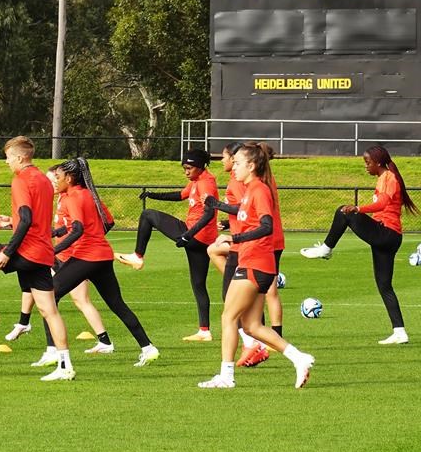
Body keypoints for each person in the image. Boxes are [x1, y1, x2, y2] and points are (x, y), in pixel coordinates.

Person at [0, 136, 74, 381]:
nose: (7, 162)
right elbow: (34, 217)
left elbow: (28, 218)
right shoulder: (43, 179)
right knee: (50, 311)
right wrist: (11, 222)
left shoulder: (21, 180)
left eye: (9, 157)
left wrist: (8, 251)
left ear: (20, 158)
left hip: (25, 251)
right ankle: (65, 366)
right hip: (43, 253)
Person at [198, 143, 315, 389]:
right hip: (255, 263)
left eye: (238, 163)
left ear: (251, 166)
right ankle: (299, 358)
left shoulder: (259, 189)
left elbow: (266, 225)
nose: (234, 167)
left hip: (254, 263)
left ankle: (226, 377)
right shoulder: (250, 190)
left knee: (228, 317)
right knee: (251, 326)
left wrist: (235, 238)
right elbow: (248, 218)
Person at [31, 159, 160, 369]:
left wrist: (53, 249)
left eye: (58, 176)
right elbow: (98, 223)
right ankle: (148, 348)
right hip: (103, 256)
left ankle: (53, 351)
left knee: (49, 296)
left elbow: (78, 228)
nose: (55, 179)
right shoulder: (87, 193)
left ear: (69, 178)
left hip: (87, 256)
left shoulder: (72, 197)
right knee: (117, 304)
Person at [299, 145, 419, 345]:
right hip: (390, 237)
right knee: (384, 286)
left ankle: (326, 249)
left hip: (386, 233)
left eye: (367, 162)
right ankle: (400, 332)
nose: (366, 166)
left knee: (344, 212)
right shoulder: (386, 177)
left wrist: (358, 208)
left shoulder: (388, 177)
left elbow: (382, 203)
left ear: (378, 162)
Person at [8, 167, 115, 359]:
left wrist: (87, 240)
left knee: (60, 297)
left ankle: (47, 344)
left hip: (73, 257)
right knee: (60, 296)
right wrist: (11, 221)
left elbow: (83, 226)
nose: (52, 184)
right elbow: (59, 228)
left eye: (54, 180)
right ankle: (104, 341)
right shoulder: (59, 198)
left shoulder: (74, 197)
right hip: (61, 256)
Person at [114, 149, 218, 341]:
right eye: (184, 168)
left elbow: (209, 213)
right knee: (198, 284)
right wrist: (153, 195)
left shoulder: (206, 184)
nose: (186, 172)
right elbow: (180, 195)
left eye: (189, 168)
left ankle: (137, 256)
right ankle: (205, 331)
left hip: (195, 235)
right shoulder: (197, 181)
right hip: (200, 238)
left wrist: (188, 235)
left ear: (200, 166)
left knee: (148, 215)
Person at [207, 142, 269, 368]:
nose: (228, 164)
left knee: (232, 311)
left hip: (248, 253)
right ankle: (293, 356)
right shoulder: (247, 184)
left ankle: (245, 354)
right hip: (244, 250)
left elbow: (261, 221)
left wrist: (236, 236)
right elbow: (245, 212)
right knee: (242, 315)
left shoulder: (249, 185)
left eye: (231, 160)